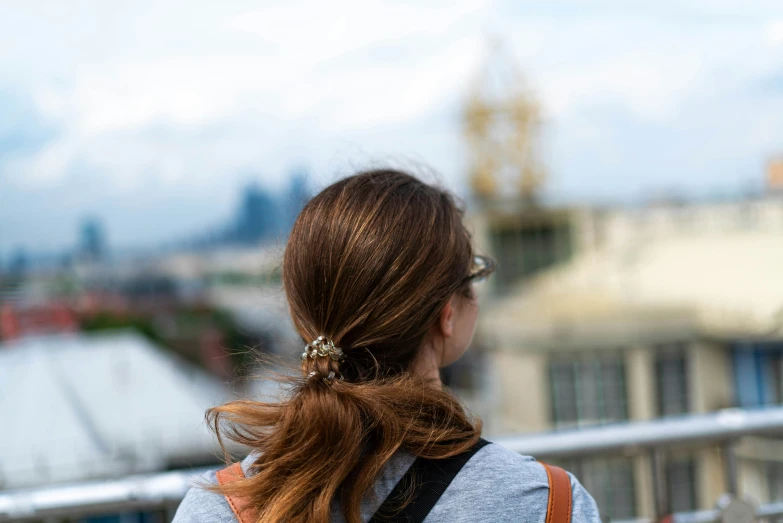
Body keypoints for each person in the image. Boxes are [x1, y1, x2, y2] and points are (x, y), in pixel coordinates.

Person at [173, 169, 601, 523]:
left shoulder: (219, 508)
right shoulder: (547, 505)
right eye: (473, 275)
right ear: (447, 314)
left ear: (301, 313)